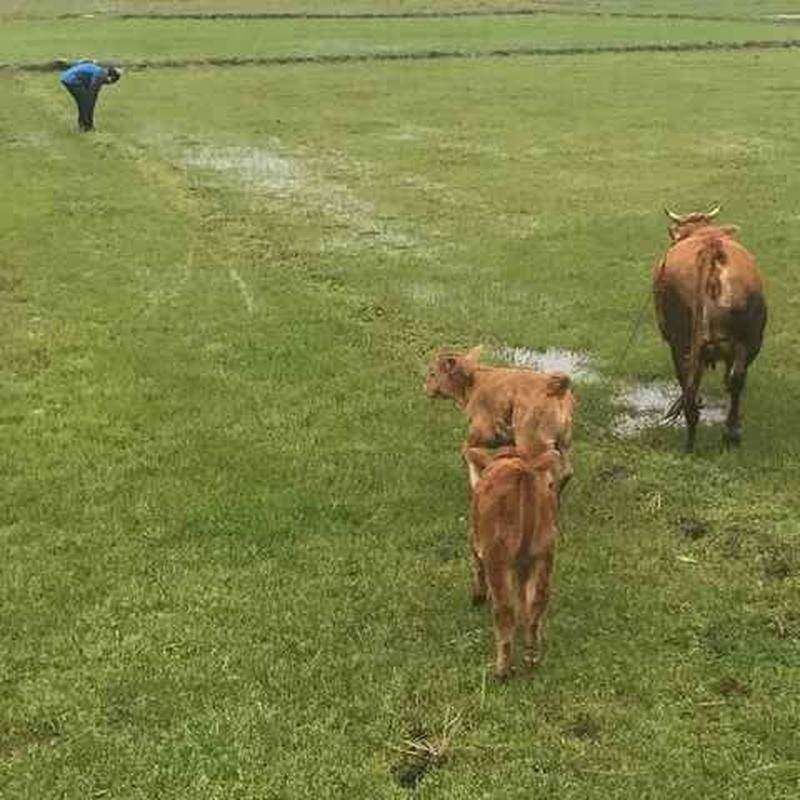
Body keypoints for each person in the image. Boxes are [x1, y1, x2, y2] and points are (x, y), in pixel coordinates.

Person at [60, 60, 121, 132]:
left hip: (66, 77)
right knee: (86, 103)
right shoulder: (100, 75)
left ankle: (85, 125)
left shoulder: (98, 70)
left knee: (83, 102)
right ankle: (86, 126)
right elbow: (92, 92)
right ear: (111, 77)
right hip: (71, 80)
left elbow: (89, 84)